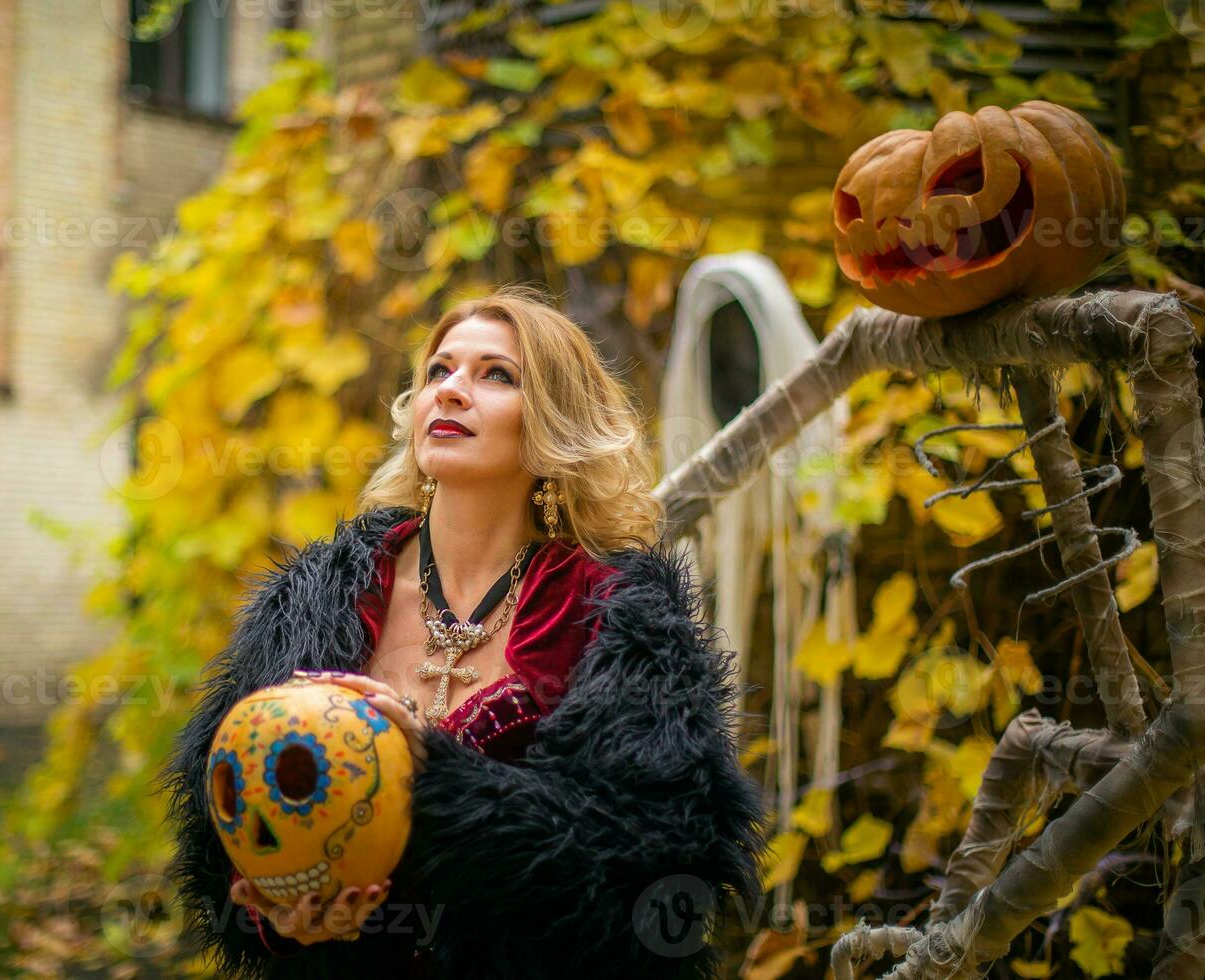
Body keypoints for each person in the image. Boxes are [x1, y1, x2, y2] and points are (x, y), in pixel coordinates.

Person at [162, 284, 767, 979]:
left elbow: (647, 873)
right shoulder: (318, 601)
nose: (450, 391)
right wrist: (278, 919)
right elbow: (222, 835)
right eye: (437, 372)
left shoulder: (612, 612)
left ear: (551, 422)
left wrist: (440, 783)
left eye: (496, 375)